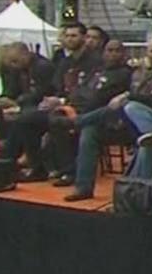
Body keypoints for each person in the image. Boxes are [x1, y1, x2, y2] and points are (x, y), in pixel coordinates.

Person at [65, 36, 152, 201]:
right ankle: (84, 187)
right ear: (147, 54)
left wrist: (131, 96)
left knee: (128, 105)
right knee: (90, 131)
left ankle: (77, 122)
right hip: (131, 125)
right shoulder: (142, 74)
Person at [45, 39, 133, 186]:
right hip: (78, 108)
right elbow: (80, 91)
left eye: (117, 51)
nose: (113, 54)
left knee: (71, 126)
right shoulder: (97, 71)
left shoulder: (126, 73)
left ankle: (71, 172)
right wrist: (64, 103)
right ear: (103, 53)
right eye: (109, 50)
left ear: (124, 53)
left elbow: (109, 99)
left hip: (105, 116)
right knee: (51, 119)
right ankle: (59, 168)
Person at [0, 41, 57, 180]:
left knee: (24, 119)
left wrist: (16, 103)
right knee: (5, 113)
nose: (14, 65)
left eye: (15, 61)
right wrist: (4, 100)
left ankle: (10, 158)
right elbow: (13, 90)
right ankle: (7, 154)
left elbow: (41, 92)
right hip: (27, 105)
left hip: (45, 105)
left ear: (25, 54)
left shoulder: (42, 67)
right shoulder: (20, 69)